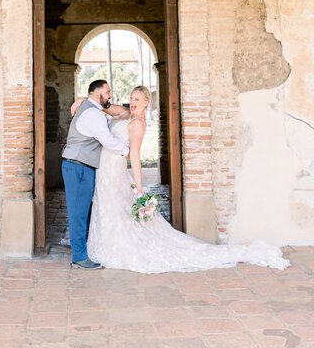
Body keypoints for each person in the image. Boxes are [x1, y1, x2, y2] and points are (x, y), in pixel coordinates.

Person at [72, 85, 289, 273]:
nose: (132, 102)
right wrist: (83, 100)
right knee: (107, 208)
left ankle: (116, 248)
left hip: (114, 171)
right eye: (131, 98)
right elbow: (104, 105)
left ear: (147, 103)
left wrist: (139, 187)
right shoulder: (126, 113)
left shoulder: (137, 123)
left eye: (137, 100)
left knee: (115, 207)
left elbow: (135, 157)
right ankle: (103, 244)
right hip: (103, 170)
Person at [62, 79, 129, 269]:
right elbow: (107, 140)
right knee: (78, 213)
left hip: (82, 166)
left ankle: (82, 251)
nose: (111, 96)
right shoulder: (92, 114)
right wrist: (125, 151)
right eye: (108, 92)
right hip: (78, 166)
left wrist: (83, 98)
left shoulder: (90, 107)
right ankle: (79, 258)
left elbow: (122, 112)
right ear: (97, 94)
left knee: (84, 211)